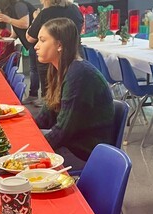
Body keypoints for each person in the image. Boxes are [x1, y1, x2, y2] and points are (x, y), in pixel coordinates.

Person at [32, 18, 114, 169]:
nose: (36, 46)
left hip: (85, 153)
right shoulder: (59, 69)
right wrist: (27, 132)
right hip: (72, 144)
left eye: (42, 40)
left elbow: (63, 131)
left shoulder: (79, 75)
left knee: (24, 167)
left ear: (59, 45)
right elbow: (46, 115)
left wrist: (31, 151)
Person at [26, 0, 83, 102]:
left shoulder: (45, 13)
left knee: (53, 97)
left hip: (54, 61)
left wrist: (35, 19)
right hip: (74, 53)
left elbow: (30, 37)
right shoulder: (75, 10)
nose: (36, 47)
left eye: (42, 40)